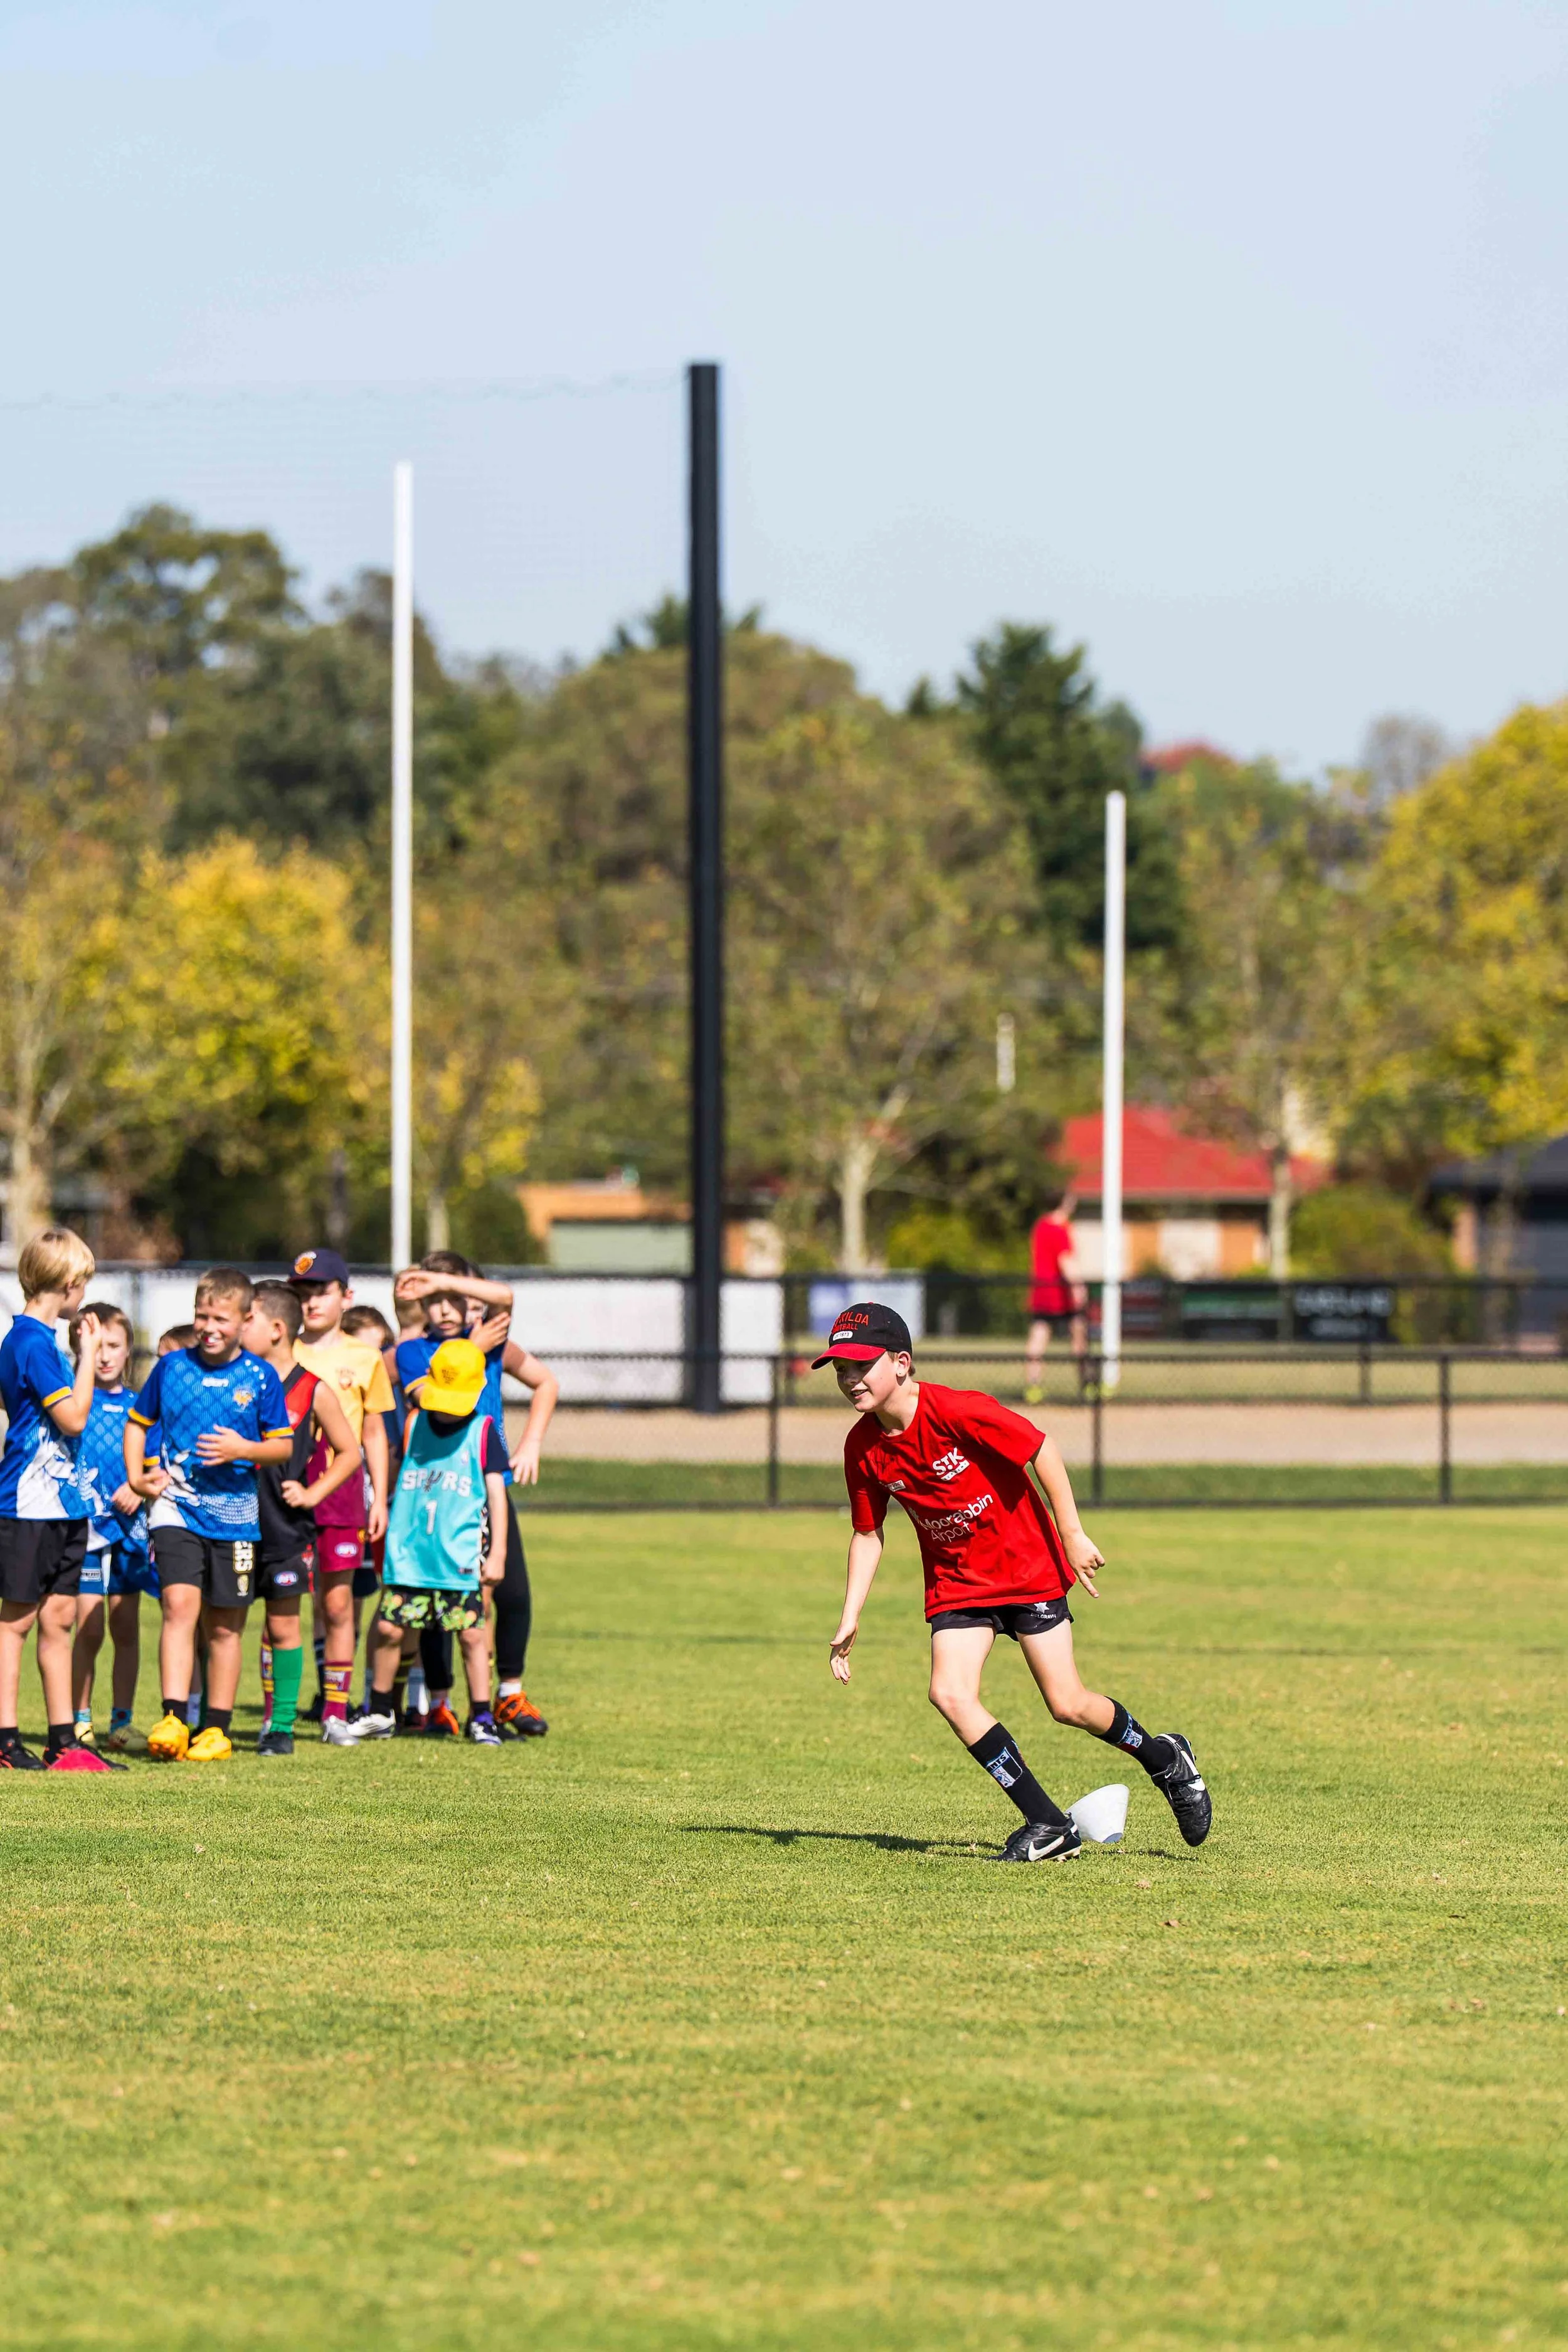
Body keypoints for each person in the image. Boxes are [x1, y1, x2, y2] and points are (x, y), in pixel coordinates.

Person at [822, 1300, 1211, 1863]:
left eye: (862, 1365)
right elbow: (868, 1533)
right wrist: (851, 1614)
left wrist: (1071, 1533)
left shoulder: (957, 1411)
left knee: (1069, 1703)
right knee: (949, 1694)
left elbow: (1040, 1447)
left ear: (902, 1362)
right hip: (958, 1585)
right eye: (840, 1370)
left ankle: (1165, 1759)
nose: (850, 1379)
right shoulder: (862, 1448)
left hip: (1027, 1569)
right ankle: (1048, 1823)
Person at [125, 1266, 292, 1762]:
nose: (209, 1327)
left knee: (225, 1626)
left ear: (245, 1320)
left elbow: (281, 1446)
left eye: (220, 1317)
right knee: (179, 1608)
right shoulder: (172, 1368)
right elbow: (138, 1424)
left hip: (237, 1517)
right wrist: (137, 1478)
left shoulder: (259, 1377)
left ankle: (215, 1729)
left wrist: (245, 1448)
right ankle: (174, 1719)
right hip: (176, 1507)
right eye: (201, 1316)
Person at [395, 1254, 558, 1740]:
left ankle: (508, 1692)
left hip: (490, 1487)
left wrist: (530, 1442)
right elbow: (427, 1398)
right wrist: (471, 1345)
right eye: (435, 1300)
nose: (446, 1309)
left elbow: (546, 1381)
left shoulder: (494, 1345)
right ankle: (441, 1703)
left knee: (512, 1594)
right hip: (440, 1494)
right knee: (441, 1603)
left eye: (458, 1300)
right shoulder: (413, 1352)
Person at [0, 1229, 120, 1772]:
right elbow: (72, 1417)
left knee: (59, 1619)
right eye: (84, 1283)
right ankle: (5, 1740)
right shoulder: (28, 1341)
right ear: (71, 1285)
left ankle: (63, 1740)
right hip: (29, 1505)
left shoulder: (39, 1340)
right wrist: (90, 1354)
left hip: (63, 1505)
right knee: (17, 1623)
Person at [347, 1338, 508, 1746]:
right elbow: (401, 1475)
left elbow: (496, 1497)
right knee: (389, 1629)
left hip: (459, 1558)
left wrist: (498, 1553)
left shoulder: (483, 1431)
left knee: (471, 1635)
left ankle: (482, 1716)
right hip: (411, 1556)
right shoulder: (414, 1422)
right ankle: (381, 1710)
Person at [240, 1281, 363, 1757]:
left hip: (285, 1526)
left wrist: (313, 1492)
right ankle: (207, 1717)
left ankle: (281, 1724)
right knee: (224, 1625)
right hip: (230, 1520)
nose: (237, 1325)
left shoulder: (313, 1389)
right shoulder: (236, 1380)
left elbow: (349, 1453)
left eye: (246, 1317)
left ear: (274, 1329)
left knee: (283, 1626)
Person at [285, 1248, 393, 1742]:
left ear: (346, 1297)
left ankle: (334, 1713)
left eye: (321, 1291)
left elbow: (373, 1434)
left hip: (342, 1492)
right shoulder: (283, 1349)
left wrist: (379, 1497)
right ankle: (277, 1713)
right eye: (302, 1292)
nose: (311, 1302)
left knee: (338, 1604)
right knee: (283, 1600)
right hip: (286, 1487)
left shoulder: (364, 1357)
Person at [68, 1303, 157, 1752]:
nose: (105, 1356)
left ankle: (121, 1723)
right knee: (89, 1627)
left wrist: (140, 1488)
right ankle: (78, 1722)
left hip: (128, 1531)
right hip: (83, 1532)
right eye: (97, 1346)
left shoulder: (140, 1407)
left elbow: (158, 1468)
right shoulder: (70, 1401)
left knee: (126, 1627)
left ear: (128, 1352)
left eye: (115, 1346)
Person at [1024, 1192, 1086, 1402]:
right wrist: (1078, 1287)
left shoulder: (1041, 1226)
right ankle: (1086, 1385)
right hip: (1061, 1293)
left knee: (1038, 1339)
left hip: (1041, 1291)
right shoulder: (1060, 1228)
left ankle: (1033, 1386)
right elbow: (1065, 1261)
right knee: (1078, 1337)